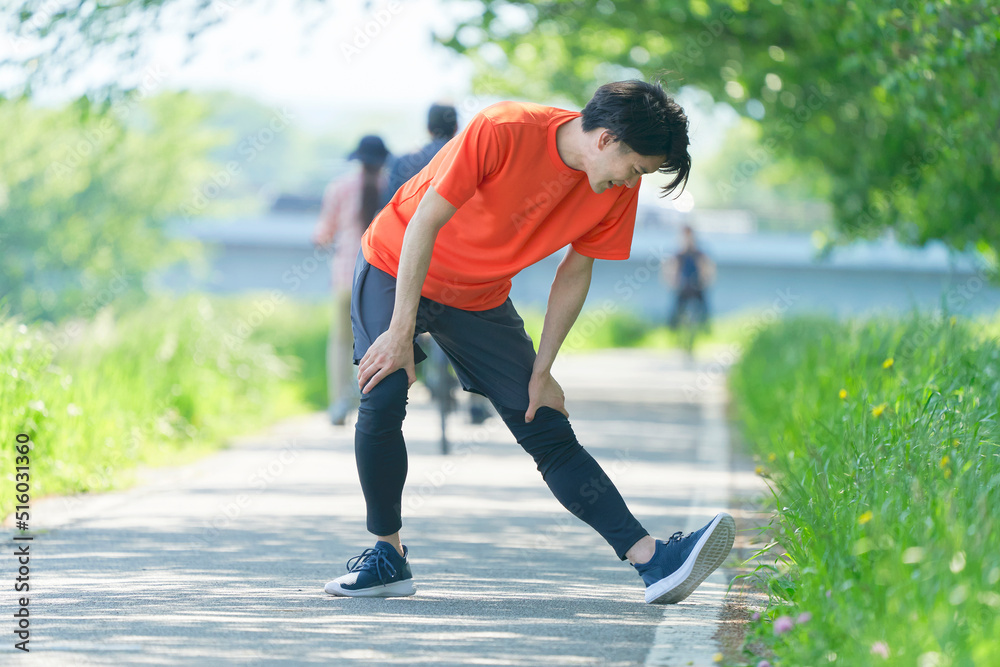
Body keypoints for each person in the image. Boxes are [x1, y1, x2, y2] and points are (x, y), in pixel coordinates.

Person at [324, 80, 735, 603]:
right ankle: (387, 554)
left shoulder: (616, 187)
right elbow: (424, 220)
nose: (633, 182)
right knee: (382, 393)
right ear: (606, 139)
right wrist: (400, 331)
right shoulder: (504, 129)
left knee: (541, 418)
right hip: (397, 262)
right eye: (635, 168)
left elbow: (575, 271)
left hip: (477, 294)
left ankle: (653, 560)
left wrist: (543, 369)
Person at [389, 103, 492, 425]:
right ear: (455, 125)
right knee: (481, 327)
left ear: (428, 126)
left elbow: (388, 210)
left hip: (413, 255)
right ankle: (477, 403)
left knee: (406, 319)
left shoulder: (405, 160)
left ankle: (420, 372)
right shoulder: (470, 151)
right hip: (462, 261)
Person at [313, 135, 390, 425]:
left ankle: (339, 404)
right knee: (376, 342)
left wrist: (320, 239)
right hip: (380, 280)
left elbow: (324, 232)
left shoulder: (339, 188)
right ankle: (371, 399)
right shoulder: (392, 187)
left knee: (340, 340)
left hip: (346, 276)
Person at [665, 225, 715, 330]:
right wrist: (672, 281)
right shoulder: (678, 255)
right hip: (683, 287)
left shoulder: (699, 254)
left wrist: (706, 280)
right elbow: (671, 270)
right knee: (675, 311)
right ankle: (672, 329)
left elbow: (707, 269)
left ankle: (705, 328)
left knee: (704, 311)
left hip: (697, 287)